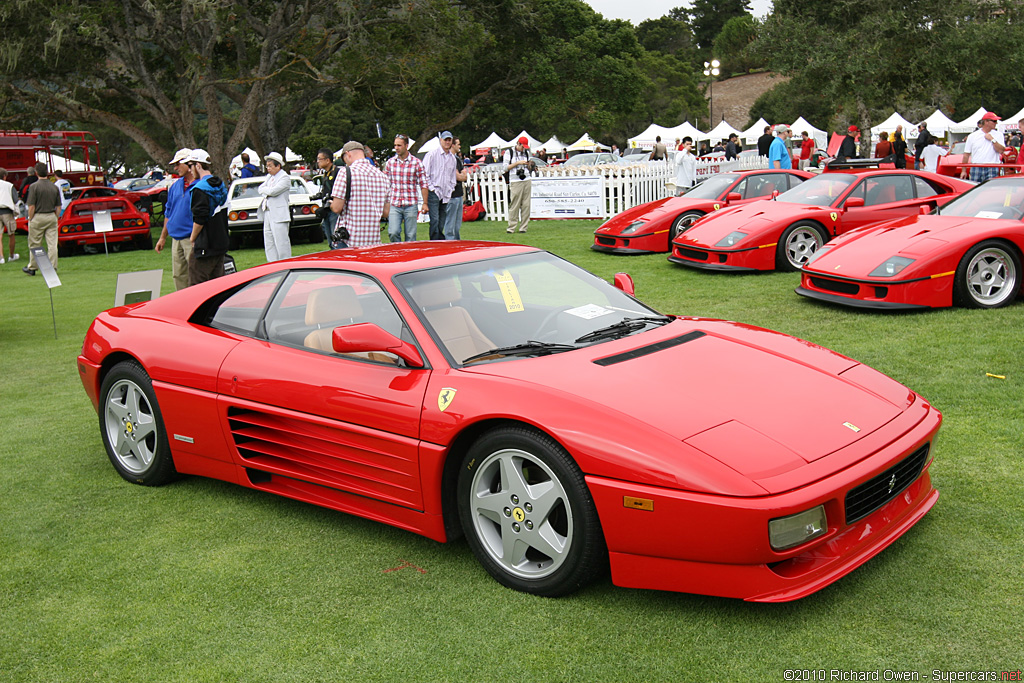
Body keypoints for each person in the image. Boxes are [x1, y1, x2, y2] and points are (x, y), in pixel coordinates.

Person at [330, 140, 391, 248]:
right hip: (373, 241)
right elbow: (386, 212)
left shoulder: (345, 172)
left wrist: (330, 203)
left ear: (348, 154)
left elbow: (336, 208)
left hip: (349, 239)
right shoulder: (382, 176)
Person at [186, 149, 229, 285]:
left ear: (198, 165)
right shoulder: (221, 184)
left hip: (205, 245)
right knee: (218, 286)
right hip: (221, 242)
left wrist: (192, 238)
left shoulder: (200, 189)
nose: (190, 170)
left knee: (197, 286)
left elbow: (200, 218)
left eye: (190, 166)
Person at [154, 148, 196, 290]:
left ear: (188, 163)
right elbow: (169, 213)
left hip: (192, 238)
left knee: (195, 275)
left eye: (178, 164)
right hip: (176, 238)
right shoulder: (175, 186)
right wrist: (162, 237)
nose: (175, 168)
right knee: (178, 276)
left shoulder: (200, 184)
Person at [384, 134, 428, 242]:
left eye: (399, 145)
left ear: (406, 146)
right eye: (395, 145)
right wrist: (385, 202)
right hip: (395, 203)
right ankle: (398, 253)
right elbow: (385, 184)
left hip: (410, 203)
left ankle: (410, 256)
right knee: (393, 232)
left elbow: (424, 184)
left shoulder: (416, 163)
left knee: (411, 236)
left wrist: (425, 203)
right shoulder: (390, 163)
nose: (397, 148)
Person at [22, 162, 61, 276]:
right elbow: (58, 207)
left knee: (35, 243)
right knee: (52, 244)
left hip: (38, 216)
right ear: (48, 173)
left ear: (36, 173)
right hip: (51, 215)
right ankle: (52, 266)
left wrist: (30, 218)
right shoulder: (54, 187)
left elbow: (31, 206)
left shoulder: (34, 186)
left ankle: (33, 267)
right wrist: (55, 216)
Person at [258, 151, 292, 261]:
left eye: (270, 166)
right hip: (268, 212)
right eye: (267, 166)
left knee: (281, 243)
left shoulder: (284, 178)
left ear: (278, 166)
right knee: (269, 241)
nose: (268, 168)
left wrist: (266, 190)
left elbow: (273, 191)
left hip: (279, 215)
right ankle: (272, 264)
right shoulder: (269, 177)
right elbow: (260, 188)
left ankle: (285, 263)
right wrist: (266, 190)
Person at [423, 131, 457, 240]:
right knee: (435, 220)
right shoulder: (432, 155)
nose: (447, 142)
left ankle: (439, 241)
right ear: (440, 140)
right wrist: (431, 188)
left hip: (445, 193)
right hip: (434, 191)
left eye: (449, 140)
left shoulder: (452, 158)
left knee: (441, 221)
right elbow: (425, 174)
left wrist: (451, 188)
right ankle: (435, 241)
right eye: (445, 140)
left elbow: (452, 176)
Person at [960, 111, 1005, 183]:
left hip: (992, 166)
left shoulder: (999, 135)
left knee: (991, 189)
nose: (996, 123)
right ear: (986, 122)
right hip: (976, 166)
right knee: (975, 189)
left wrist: (992, 140)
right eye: (994, 121)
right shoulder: (973, 136)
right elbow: (966, 154)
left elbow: (1001, 150)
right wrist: (963, 171)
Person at [311, 148, 342, 248]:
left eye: (320, 159)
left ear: (327, 160)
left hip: (334, 209)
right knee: (329, 240)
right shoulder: (326, 173)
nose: (318, 161)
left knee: (336, 238)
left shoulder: (337, 172)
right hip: (326, 209)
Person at [503, 136, 533, 234]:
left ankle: (523, 227)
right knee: (515, 204)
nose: (523, 149)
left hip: (527, 179)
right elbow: (505, 168)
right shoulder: (509, 153)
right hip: (515, 180)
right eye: (522, 146)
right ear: (518, 144)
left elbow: (530, 166)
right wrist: (518, 163)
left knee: (526, 205)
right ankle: (511, 227)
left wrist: (530, 165)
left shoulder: (527, 153)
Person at [444, 137, 469, 240]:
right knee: (450, 225)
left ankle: (457, 244)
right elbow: (457, 176)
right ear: (453, 145)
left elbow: (464, 175)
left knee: (457, 225)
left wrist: (460, 175)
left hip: (459, 195)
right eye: (458, 144)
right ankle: (449, 244)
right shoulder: (448, 159)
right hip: (451, 195)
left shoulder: (458, 159)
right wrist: (460, 176)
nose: (460, 146)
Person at [0, 168, 19, 264]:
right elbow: (16, 200)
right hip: (7, 211)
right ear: (4, 176)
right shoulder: (9, 186)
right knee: (11, 234)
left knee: (0, 236)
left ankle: (1, 257)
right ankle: (11, 256)